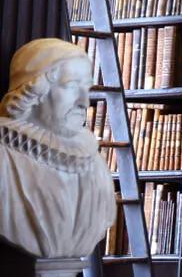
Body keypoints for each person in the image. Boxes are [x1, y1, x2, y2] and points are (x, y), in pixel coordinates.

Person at [0, 39, 116, 258]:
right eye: (72, 85)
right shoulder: (4, 159)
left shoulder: (95, 165)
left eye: (87, 88)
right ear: (33, 91)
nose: (85, 102)